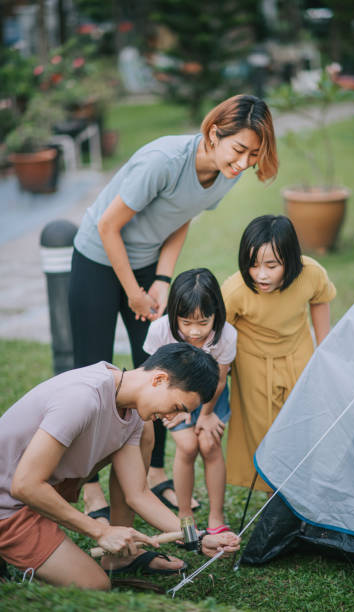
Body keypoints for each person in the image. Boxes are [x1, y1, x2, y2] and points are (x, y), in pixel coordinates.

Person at [68, 93, 278, 515]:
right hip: (98, 256)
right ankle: (88, 483)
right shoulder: (163, 160)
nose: (242, 164)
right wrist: (133, 291)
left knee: (161, 366)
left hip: (146, 265)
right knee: (93, 368)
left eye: (253, 156)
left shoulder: (226, 172)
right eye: (239, 150)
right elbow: (108, 225)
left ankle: (154, 469)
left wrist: (162, 279)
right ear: (214, 132)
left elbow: (183, 214)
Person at [0, 344, 240, 590]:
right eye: (177, 407)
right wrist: (100, 531)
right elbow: (24, 485)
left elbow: (138, 494)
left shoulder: (131, 410)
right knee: (95, 586)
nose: (171, 417)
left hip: (34, 492)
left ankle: (113, 556)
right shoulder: (83, 397)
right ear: (159, 379)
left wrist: (198, 538)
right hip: (9, 504)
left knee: (145, 432)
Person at [222, 215, 337, 491]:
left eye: (271, 265)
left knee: (304, 423)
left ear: (291, 258)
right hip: (254, 362)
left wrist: (323, 349)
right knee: (262, 430)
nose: (261, 274)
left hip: (299, 352)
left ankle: (302, 488)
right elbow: (219, 337)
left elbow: (320, 300)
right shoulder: (234, 290)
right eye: (253, 265)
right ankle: (275, 492)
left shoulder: (312, 273)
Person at [144, 269, 237, 534]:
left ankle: (216, 518)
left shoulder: (226, 335)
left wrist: (205, 414)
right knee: (187, 447)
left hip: (210, 398)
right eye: (185, 322)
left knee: (209, 444)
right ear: (173, 314)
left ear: (216, 314)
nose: (194, 331)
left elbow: (219, 381)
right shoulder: (160, 330)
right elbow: (151, 376)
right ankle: (185, 516)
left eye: (203, 322)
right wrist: (171, 409)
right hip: (172, 396)